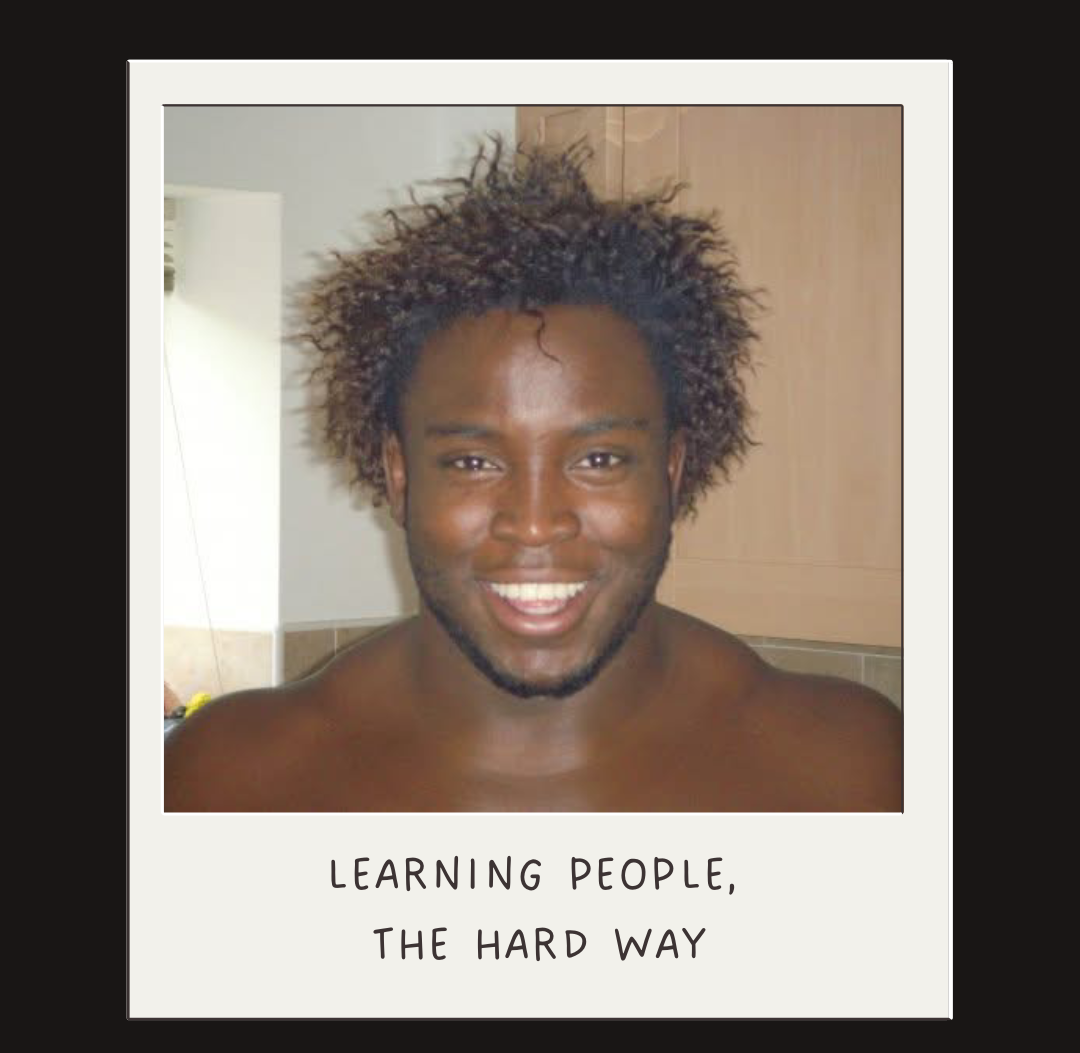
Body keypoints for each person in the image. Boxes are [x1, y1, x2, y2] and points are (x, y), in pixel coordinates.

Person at [165, 136, 901, 812]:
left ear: (673, 471)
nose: (537, 522)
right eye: (474, 461)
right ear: (398, 473)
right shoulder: (229, 780)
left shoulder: (847, 769)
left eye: (599, 459)